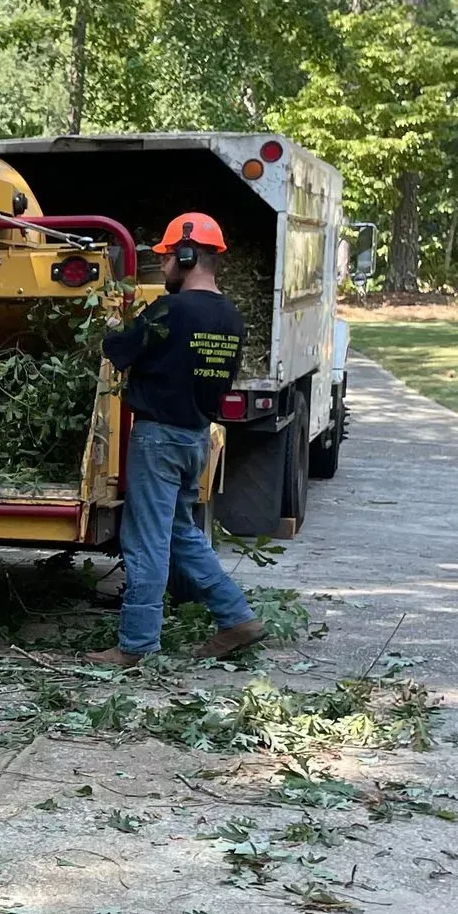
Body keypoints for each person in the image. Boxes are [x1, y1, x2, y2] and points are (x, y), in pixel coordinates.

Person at [91, 210, 266, 671]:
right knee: (180, 532)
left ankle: (136, 644)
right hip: (195, 438)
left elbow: (118, 351)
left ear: (187, 255)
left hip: (158, 438)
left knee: (145, 541)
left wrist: (109, 326)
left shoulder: (170, 310)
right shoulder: (231, 317)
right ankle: (237, 618)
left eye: (167, 257)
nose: (163, 266)